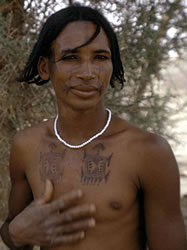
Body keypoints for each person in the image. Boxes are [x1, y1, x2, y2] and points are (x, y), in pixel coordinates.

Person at [0, 4, 186, 250]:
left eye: (100, 57)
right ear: (45, 68)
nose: (88, 73)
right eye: (70, 58)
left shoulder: (148, 151)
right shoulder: (27, 146)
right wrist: (14, 233)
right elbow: (17, 235)